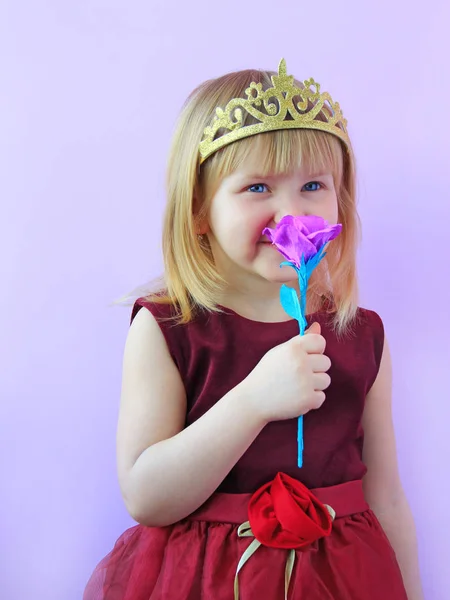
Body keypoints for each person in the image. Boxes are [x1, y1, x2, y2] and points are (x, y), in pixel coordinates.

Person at [84, 59, 423, 599]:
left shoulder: (362, 335)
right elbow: (146, 496)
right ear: (200, 210)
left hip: (346, 580)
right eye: (257, 187)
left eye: (313, 185)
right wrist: (254, 400)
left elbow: (386, 497)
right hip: (209, 582)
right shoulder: (168, 328)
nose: (291, 211)